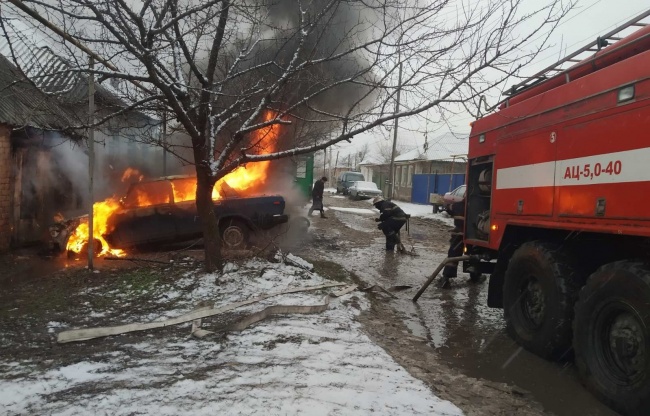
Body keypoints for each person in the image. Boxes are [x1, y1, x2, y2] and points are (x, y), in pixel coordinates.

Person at [439, 198, 485, 288]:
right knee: (473, 255)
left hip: (458, 236)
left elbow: (449, 209)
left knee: (453, 255)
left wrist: (447, 206)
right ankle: (475, 276)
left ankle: (446, 278)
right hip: (472, 236)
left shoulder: (457, 205)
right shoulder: (478, 206)